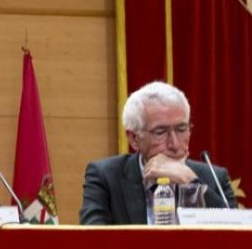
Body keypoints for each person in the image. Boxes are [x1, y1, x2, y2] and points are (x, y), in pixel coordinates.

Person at [80, 81, 235, 225]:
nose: (174, 144)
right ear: (134, 138)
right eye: (160, 132)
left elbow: (240, 238)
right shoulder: (106, 177)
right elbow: (92, 242)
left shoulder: (214, 178)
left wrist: (192, 183)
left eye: (181, 129)